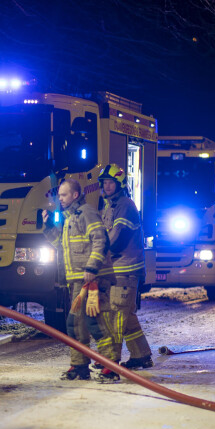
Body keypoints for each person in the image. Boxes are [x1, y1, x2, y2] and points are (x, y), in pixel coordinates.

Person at [43, 178, 120, 382]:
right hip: (78, 280)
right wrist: (48, 226)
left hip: (92, 279)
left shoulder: (86, 212)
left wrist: (92, 267)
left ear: (75, 195)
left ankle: (110, 366)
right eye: (59, 195)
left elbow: (100, 240)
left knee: (96, 322)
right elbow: (60, 244)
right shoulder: (70, 218)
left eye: (64, 195)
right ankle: (79, 366)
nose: (60, 198)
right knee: (75, 324)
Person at [96, 163, 153, 370]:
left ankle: (111, 362)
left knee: (116, 315)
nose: (107, 186)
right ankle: (142, 355)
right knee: (127, 316)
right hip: (117, 268)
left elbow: (116, 238)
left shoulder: (125, 205)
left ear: (119, 184)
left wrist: (96, 254)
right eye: (105, 183)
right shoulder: (109, 205)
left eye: (111, 182)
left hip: (125, 270)